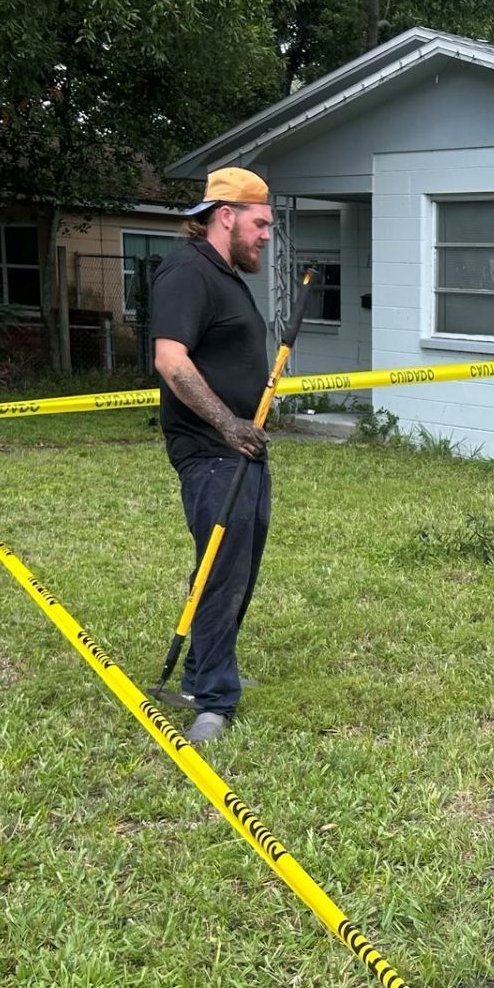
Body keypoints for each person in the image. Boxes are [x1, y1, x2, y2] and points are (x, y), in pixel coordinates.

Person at [150, 167, 275, 748]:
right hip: (212, 451)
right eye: (260, 222)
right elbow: (172, 361)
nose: (266, 235)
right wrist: (228, 425)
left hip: (240, 452)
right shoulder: (187, 271)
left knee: (233, 571)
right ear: (225, 215)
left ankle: (206, 674)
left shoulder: (226, 276)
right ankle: (213, 704)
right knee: (222, 572)